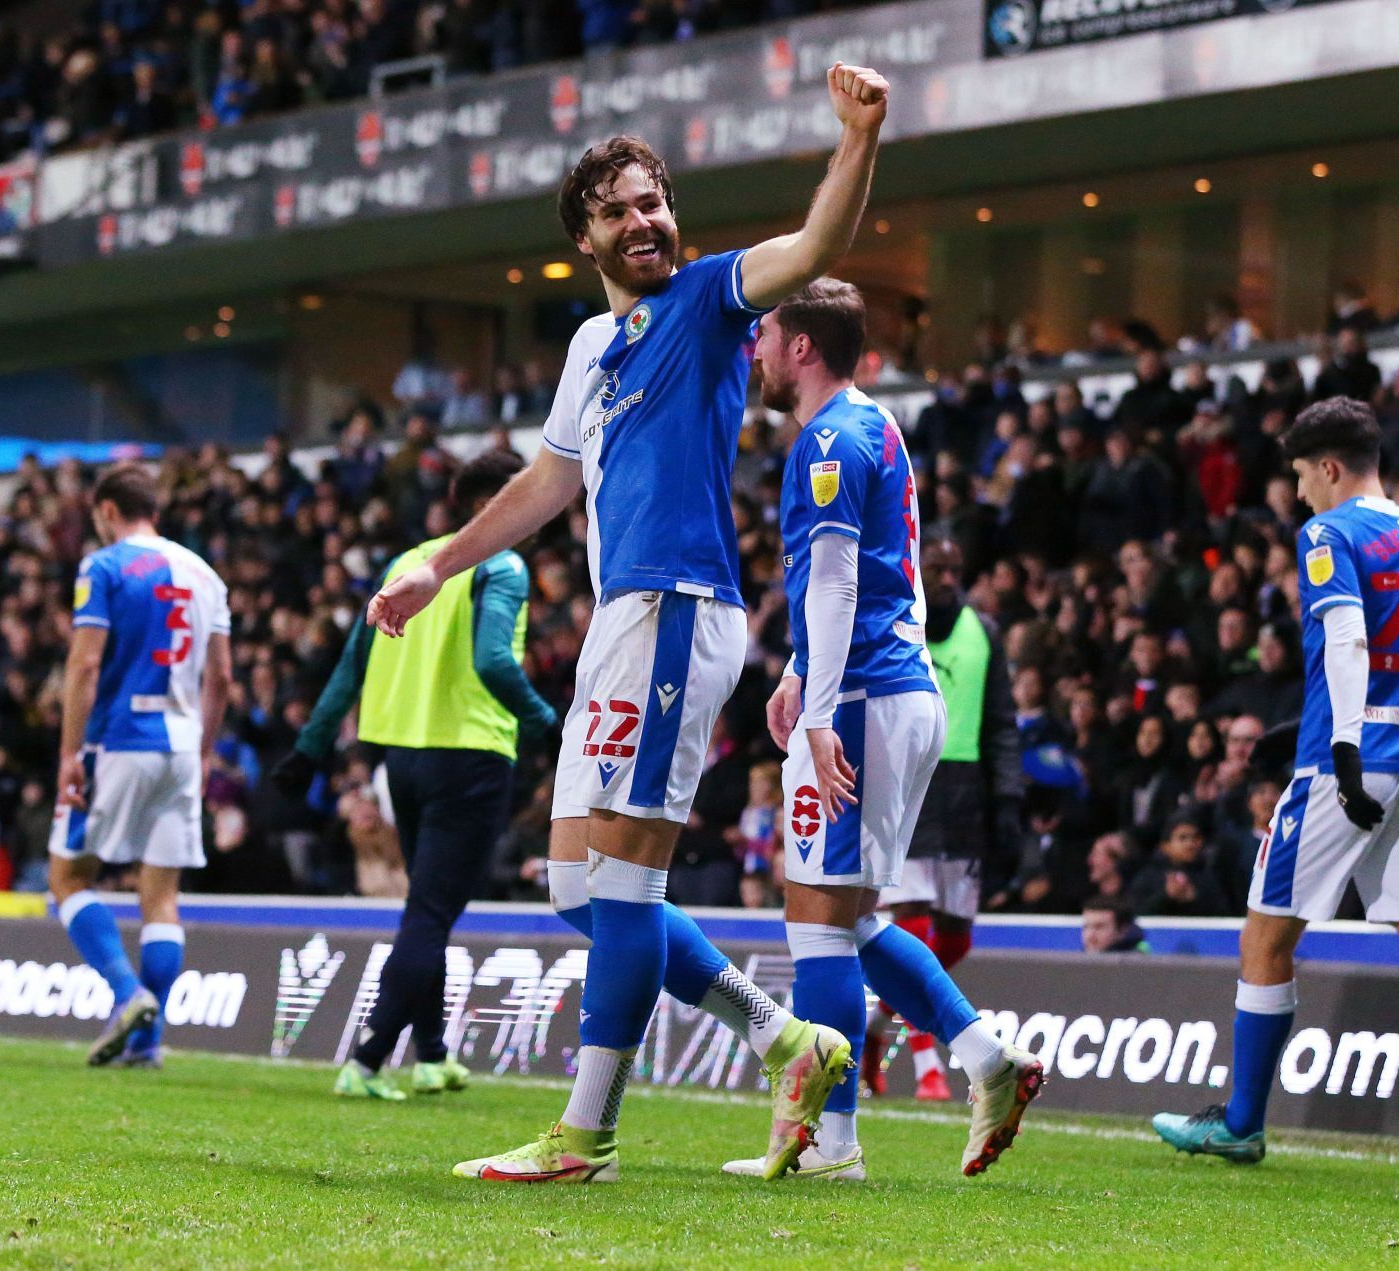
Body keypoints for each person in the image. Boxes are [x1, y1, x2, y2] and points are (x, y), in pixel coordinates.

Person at [368, 62, 891, 1185]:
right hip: (623, 616)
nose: (644, 219)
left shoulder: (708, 295)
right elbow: (547, 481)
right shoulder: (588, 351)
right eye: (619, 211)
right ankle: (782, 1035)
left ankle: (587, 1131)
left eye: (652, 200)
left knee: (629, 879)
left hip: (678, 606)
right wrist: (440, 570)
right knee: (573, 884)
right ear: (588, 240)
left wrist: (855, 142)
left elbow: (811, 250)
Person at [716, 279, 1043, 1183]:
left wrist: (818, 710)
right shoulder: (877, 424)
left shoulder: (825, 443)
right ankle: (985, 1058)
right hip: (892, 689)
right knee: (854, 920)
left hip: (863, 702)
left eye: (768, 334)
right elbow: (889, 576)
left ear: (804, 348)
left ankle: (833, 1143)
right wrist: (796, 673)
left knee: (817, 926)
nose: (756, 348)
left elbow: (836, 586)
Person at [1152, 398, 1399, 1181]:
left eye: (1302, 476)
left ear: (1330, 467)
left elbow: (1347, 637)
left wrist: (1339, 747)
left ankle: (1240, 1125)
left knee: (1266, 936)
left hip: (1349, 760)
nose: (1300, 494)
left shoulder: (1328, 533)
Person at [277, 452, 558, 1100]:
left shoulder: (410, 565)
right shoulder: (503, 562)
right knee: (430, 913)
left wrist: (311, 746)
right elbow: (492, 661)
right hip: (471, 755)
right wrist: (549, 722)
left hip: (399, 759)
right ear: (507, 499)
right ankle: (368, 1058)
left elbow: (352, 662)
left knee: (423, 908)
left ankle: (432, 1053)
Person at [48, 464, 232, 1069]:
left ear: (106, 511)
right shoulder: (205, 574)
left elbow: (83, 665)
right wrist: (204, 754)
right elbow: (222, 677)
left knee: (69, 878)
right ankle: (147, 1044)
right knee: (161, 897)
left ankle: (128, 997)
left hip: (118, 739)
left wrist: (71, 753)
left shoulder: (103, 567)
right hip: (180, 747)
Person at [861, 534, 1023, 1103]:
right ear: (919, 571)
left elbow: (1002, 722)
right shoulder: (895, 622)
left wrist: (1008, 799)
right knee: (916, 929)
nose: (948, 576)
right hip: (908, 787)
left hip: (965, 799)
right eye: (937, 567)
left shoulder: (987, 635)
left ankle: (875, 1028)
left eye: (955, 567)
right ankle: (932, 1066)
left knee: (954, 941)